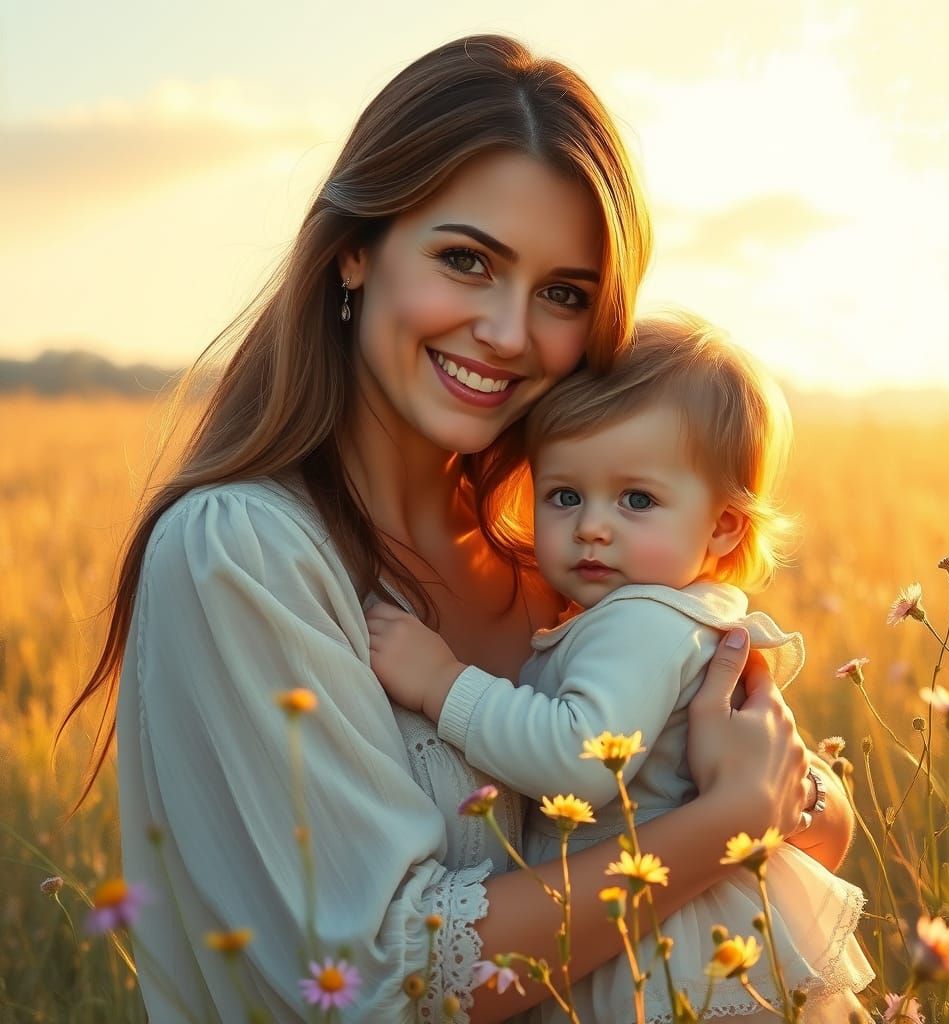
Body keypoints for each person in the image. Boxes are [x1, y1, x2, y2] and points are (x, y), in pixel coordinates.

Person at [58, 35, 853, 1023]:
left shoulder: (566, 561)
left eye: (562, 293)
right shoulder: (243, 554)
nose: (510, 333)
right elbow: (385, 981)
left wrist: (787, 797)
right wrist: (729, 823)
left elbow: (816, 833)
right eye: (466, 260)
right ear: (354, 250)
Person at [368, 315, 874, 1022]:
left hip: (664, 936)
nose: (592, 526)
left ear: (723, 525)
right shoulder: (679, 610)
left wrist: (441, 683)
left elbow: (582, 757)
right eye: (565, 495)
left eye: (637, 500)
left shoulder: (644, 621)